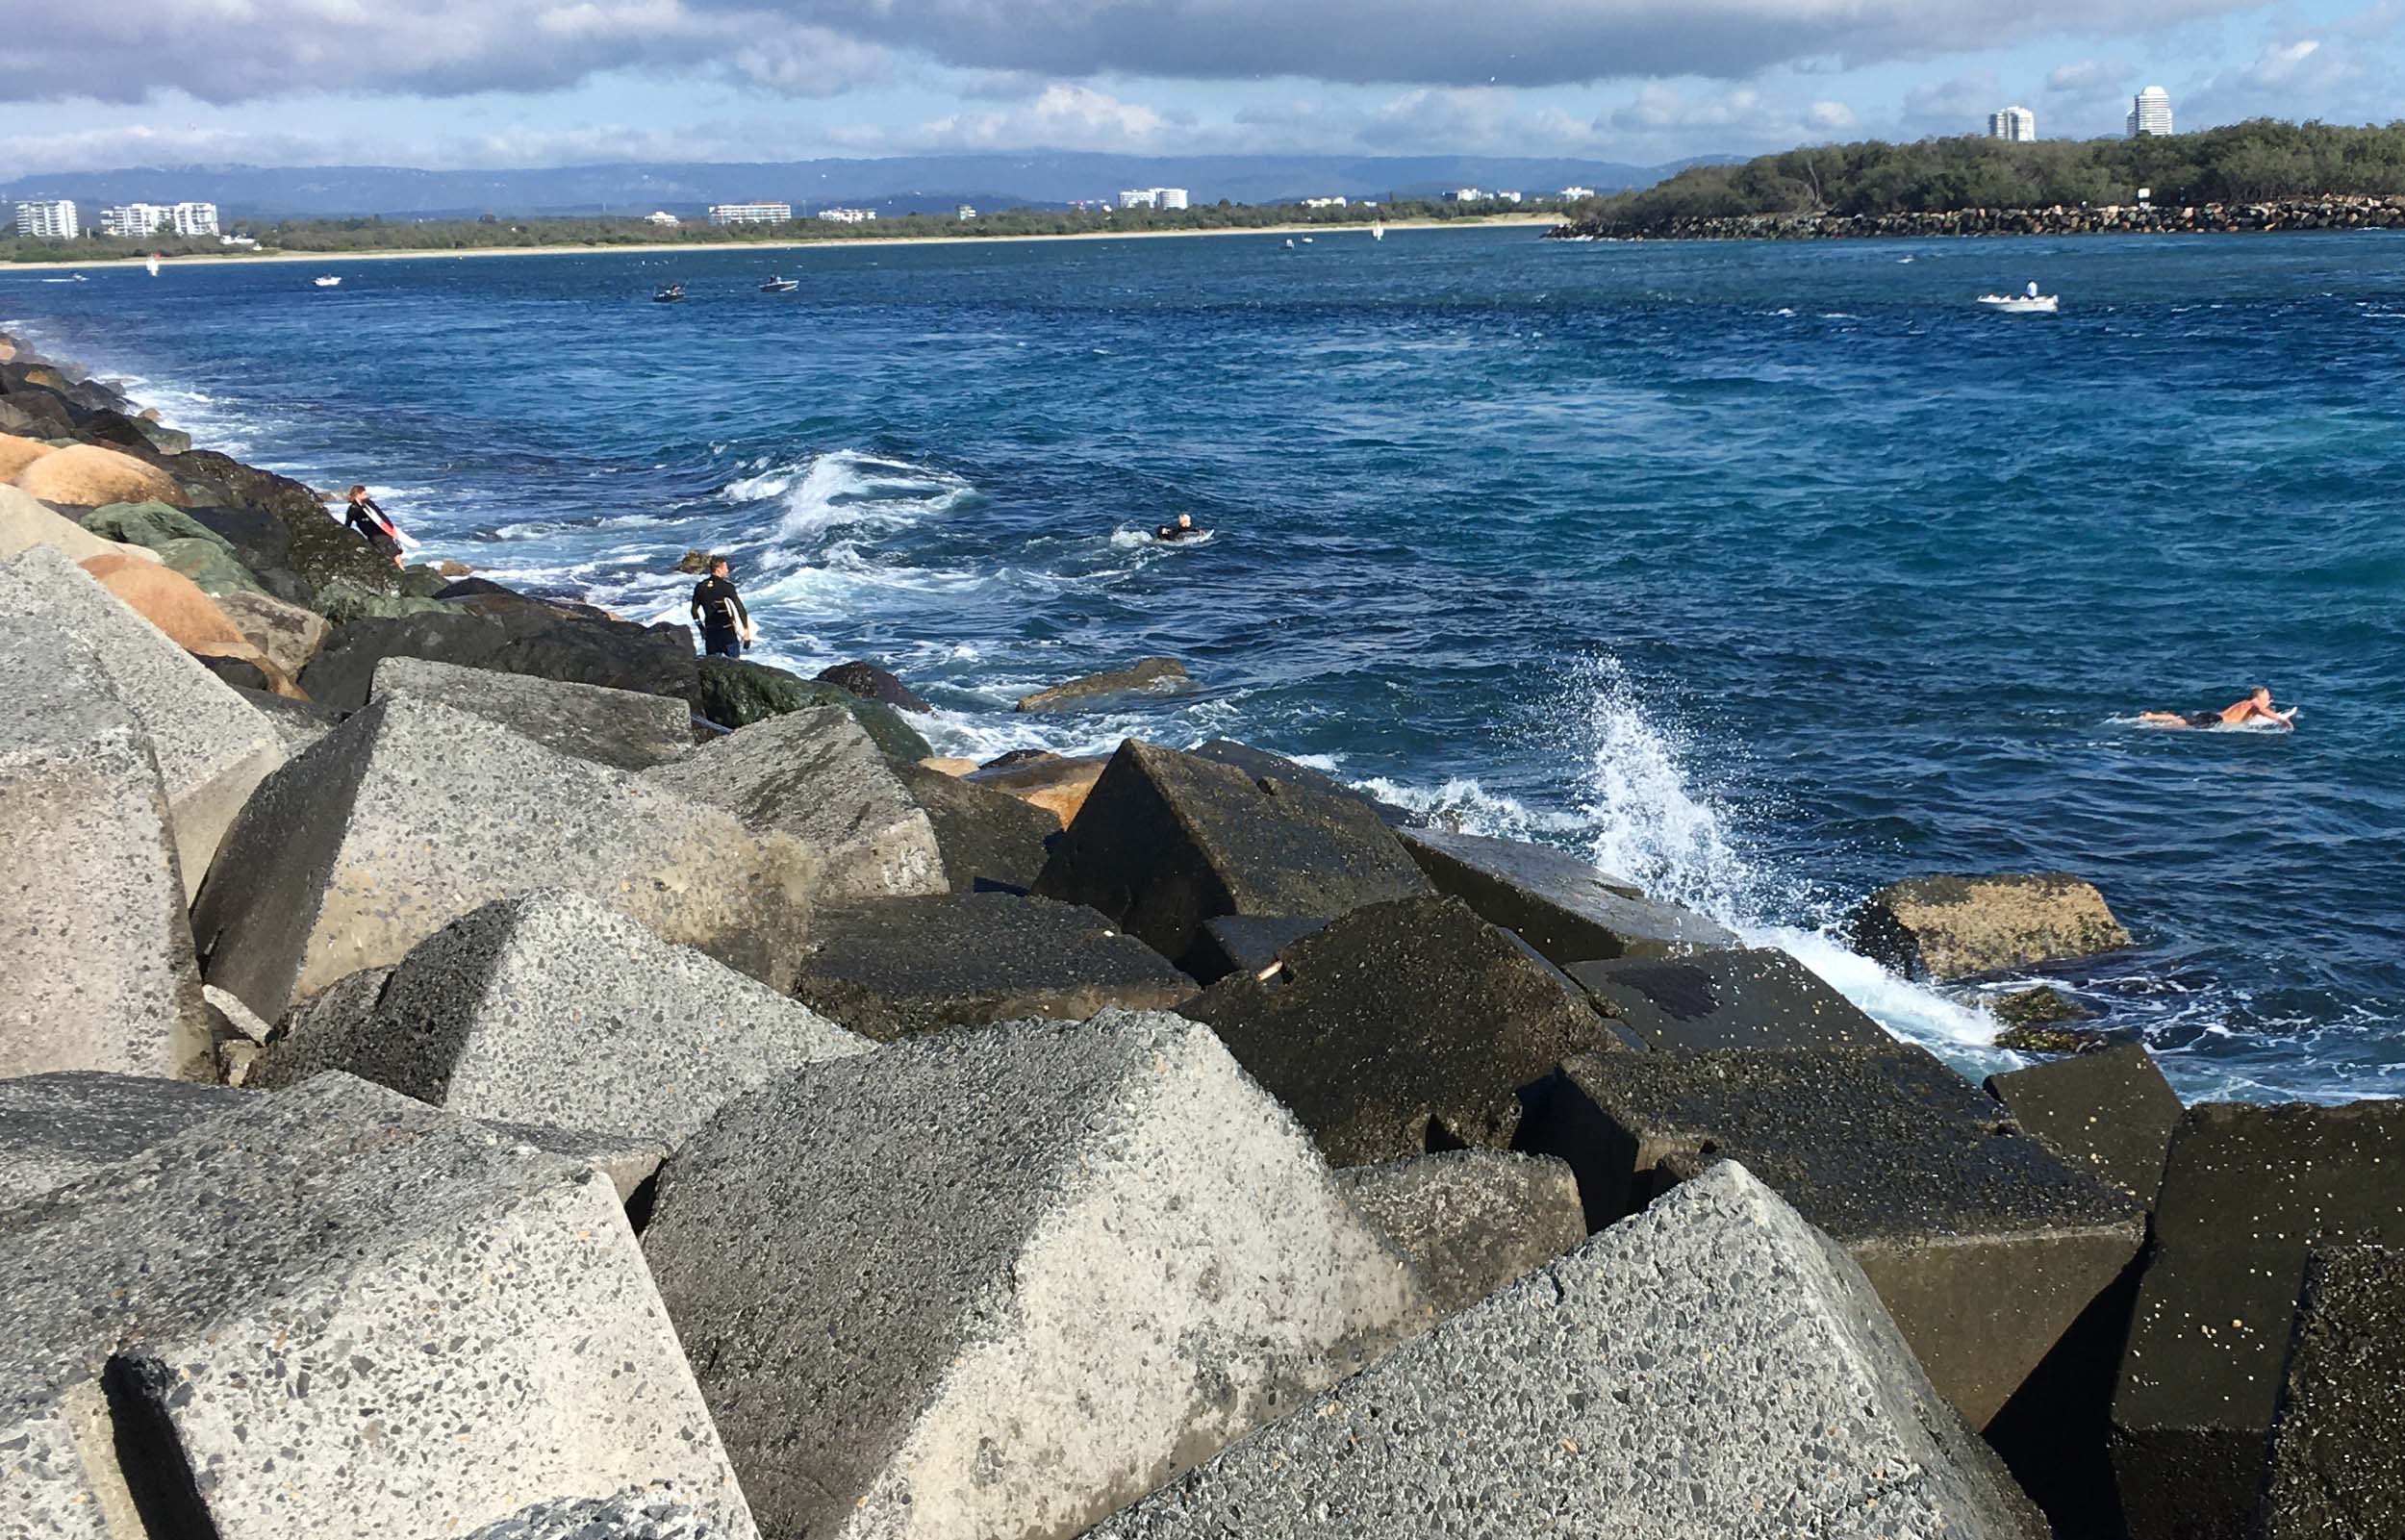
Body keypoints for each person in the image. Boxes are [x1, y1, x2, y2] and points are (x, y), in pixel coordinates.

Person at [2140, 687, 2296, 730]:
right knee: (2177, 727)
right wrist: (2281, 720)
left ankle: (2151, 716)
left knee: (2181, 719)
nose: (2269, 700)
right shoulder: (2254, 704)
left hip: (2212, 716)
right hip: (2214, 720)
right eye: (2267, 697)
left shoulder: (2244, 703)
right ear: (2259, 697)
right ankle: (2152, 728)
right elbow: (2262, 711)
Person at [690, 556, 753, 658]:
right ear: (718, 569)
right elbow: (740, 609)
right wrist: (746, 632)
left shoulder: (700, 587)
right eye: (725, 568)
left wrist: (701, 628)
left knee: (713, 665)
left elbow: (693, 611)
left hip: (711, 634)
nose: (727, 570)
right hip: (727, 634)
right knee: (734, 665)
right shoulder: (727, 587)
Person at [342, 485, 405, 569]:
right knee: (389, 556)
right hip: (374, 536)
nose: (366, 496)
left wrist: (391, 527)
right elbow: (347, 525)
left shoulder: (368, 503)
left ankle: (401, 571)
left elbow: (380, 515)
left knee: (396, 554)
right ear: (358, 495)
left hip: (382, 532)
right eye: (364, 494)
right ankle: (398, 571)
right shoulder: (353, 509)